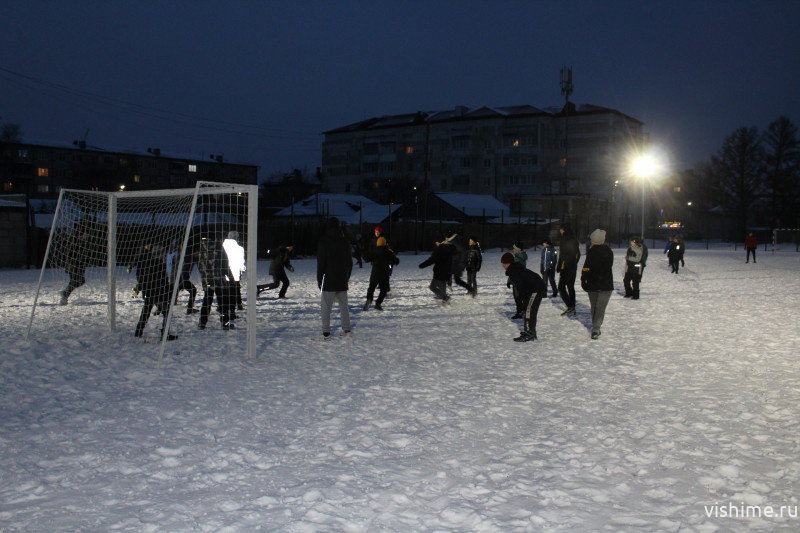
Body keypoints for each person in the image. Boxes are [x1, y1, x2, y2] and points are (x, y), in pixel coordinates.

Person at [131, 242, 177, 340]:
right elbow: (162, 281)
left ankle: (138, 331)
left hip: (149, 292)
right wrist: (168, 291)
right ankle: (165, 334)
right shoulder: (159, 265)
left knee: (146, 312)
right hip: (157, 293)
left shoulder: (146, 263)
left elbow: (142, 278)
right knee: (167, 312)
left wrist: (141, 288)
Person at [317, 217, 353, 338]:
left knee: (326, 307)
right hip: (342, 278)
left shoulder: (323, 241)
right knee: (344, 306)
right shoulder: (345, 241)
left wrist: (319, 279)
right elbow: (350, 262)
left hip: (329, 279)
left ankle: (326, 331)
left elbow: (321, 262)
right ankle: (347, 329)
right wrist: (347, 276)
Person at [501, 252, 546, 343]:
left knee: (529, 311)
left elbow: (521, 287)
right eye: (503, 263)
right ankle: (529, 332)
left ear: (510, 263)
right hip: (533, 288)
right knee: (527, 310)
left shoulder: (514, 271)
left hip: (536, 288)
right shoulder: (514, 269)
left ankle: (530, 333)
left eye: (505, 263)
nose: (503, 265)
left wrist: (523, 301)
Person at [581, 229, 614, 340]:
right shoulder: (609, 251)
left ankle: (595, 328)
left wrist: (583, 279)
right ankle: (596, 328)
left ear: (594, 240)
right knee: (600, 308)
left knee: (594, 307)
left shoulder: (592, 252)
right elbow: (609, 266)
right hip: (606, 284)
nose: (590, 241)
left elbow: (586, 267)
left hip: (593, 283)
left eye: (592, 239)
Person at [363, 226, 398, 311]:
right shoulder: (388, 252)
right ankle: (378, 303)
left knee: (371, 287)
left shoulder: (374, 252)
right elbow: (396, 261)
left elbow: (367, 258)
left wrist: (363, 252)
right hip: (384, 274)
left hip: (375, 272)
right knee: (383, 289)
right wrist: (392, 255)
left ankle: (369, 299)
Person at [418, 237, 456, 306]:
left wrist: (422, 265)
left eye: (437, 242)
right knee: (442, 288)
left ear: (440, 242)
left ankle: (445, 298)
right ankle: (446, 304)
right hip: (447, 271)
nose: (436, 244)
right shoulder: (451, 248)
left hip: (439, 272)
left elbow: (432, 259)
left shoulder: (439, 249)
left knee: (432, 287)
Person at [59, 228, 90, 305]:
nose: (87, 236)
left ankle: (65, 295)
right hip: (74, 265)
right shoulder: (75, 241)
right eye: (86, 234)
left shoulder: (82, 242)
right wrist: (70, 264)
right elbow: (69, 254)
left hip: (78, 265)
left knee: (80, 281)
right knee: (75, 281)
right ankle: (64, 295)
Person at [167, 240, 199, 314]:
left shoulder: (173, 254)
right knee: (193, 290)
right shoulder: (183, 255)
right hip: (182, 278)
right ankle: (189, 308)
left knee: (175, 291)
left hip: (175, 278)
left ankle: (172, 304)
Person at [557, 225, 581, 316]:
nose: (560, 231)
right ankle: (572, 306)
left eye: (561, 229)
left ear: (564, 230)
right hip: (573, 267)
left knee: (561, 287)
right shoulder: (574, 239)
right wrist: (574, 263)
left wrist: (559, 266)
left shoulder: (564, 239)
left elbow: (562, 254)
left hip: (566, 267)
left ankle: (570, 306)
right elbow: (578, 254)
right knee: (570, 286)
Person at [507, 242, 529, 317]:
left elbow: (513, 270)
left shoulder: (517, 258)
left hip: (516, 280)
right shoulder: (521, 256)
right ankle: (522, 311)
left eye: (514, 248)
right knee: (519, 296)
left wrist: (509, 280)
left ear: (518, 249)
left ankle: (520, 312)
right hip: (521, 279)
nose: (513, 249)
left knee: (517, 297)